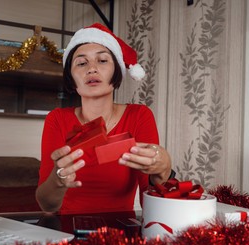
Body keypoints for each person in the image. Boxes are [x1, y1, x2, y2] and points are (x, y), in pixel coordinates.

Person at [36, 23, 173, 214]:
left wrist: (163, 171)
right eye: (81, 63)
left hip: (122, 233)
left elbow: (150, 205)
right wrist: (58, 180)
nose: (92, 69)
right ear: (71, 77)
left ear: (116, 70)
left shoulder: (139, 116)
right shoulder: (57, 119)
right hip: (68, 231)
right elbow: (47, 205)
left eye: (102, 61)